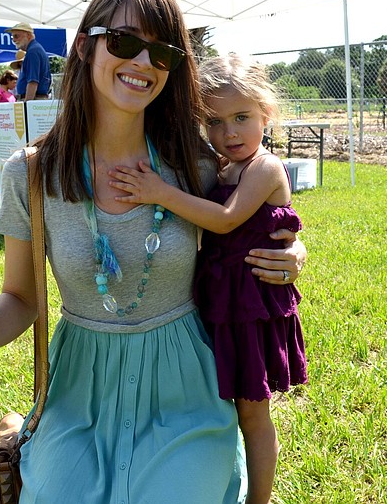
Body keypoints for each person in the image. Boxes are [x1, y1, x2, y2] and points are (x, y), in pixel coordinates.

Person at [0, 0, 307, 503]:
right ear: (84, 45)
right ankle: (23, 431)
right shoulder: (30, 174)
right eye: (123, 42)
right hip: (79, 390)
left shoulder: (197, 162)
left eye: (162, 51)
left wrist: (293, 250)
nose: (143, 62)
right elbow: (21, 298)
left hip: (183, 388)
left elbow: (258, 212)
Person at [110, 53, 307, 504]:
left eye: (242, 118)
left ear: (267, 115)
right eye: (215, 122)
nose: (229, 133)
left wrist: (159, 192)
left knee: (253, 414)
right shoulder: (219, 167)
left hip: (253, 308)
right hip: (220, 303)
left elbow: (224, 220)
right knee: (221, 405)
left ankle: (259, 499)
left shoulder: (264, 167)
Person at [6, 22, 52, 100]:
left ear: (28, 35)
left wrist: (27, 104)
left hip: (34, 99)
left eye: (16, 36)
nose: (13, 40)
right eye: (12, 37)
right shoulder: (35, 49)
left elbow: (33, 82)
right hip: (36, 99)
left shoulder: (33, 51)